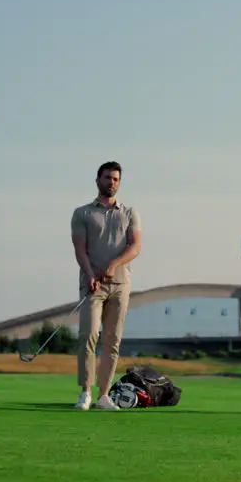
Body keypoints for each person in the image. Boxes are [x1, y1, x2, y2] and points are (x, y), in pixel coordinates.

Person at [70, 160, 143, 410]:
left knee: (113, 340)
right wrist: (90, 274)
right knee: (88, 335)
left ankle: (103, 395)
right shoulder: (82, 213)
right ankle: (86, 392)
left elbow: (135, 246)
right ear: (98, 180)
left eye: (115, 179)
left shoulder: (130, 213)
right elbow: (80, 249)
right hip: (92, 285)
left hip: (120, 284)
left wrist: (113, 265)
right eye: (107, 178)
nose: (111, 182)